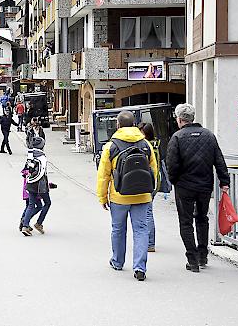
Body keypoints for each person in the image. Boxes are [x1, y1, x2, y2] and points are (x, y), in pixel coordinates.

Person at [166, 103, 230, 272]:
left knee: (185, 222)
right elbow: (219, 160)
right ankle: (202, 255)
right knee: (202, 218)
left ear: (180, 119)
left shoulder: (177, 137)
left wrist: (174, 181)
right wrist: (224, 182)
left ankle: (192, 260)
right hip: (204, 186)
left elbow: (171, 164)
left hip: (184, 187)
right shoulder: (209, 136)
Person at [97, 110, 157, 282]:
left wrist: (102, 197)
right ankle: (140, 267)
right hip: (142, 195)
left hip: (119, 196)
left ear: (118, 124)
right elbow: (154, 170)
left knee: (118, 229)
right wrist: (150, 192)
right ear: (133, 124)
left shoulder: (111, 146)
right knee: (141, 230)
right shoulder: (145, 144)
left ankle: (117, 261)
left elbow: (104, 175)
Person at [21, 136, 52, 236]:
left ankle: (25, 225)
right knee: (47, 203)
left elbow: (28, 169)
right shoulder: (42, 157)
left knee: (31, 204)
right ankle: (39, 223)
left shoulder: (30, 155)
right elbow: (43, 172)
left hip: (30, 183)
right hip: (40, 185)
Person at [138, 122, 160, 253]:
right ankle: (149, 240)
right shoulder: (155, 144)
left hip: (150, 182)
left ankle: (150, 243)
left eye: (141, 132)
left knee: (147, 212)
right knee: (147, 211)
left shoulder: (147, 146)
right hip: (153, 181)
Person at [20, 167, 42, 232]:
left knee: (28, 206)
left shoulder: (27, 168)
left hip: (26, 190)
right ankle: (25, 220)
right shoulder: (34, 168)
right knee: (38, 206)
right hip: (32, 190)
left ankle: (24, 222)